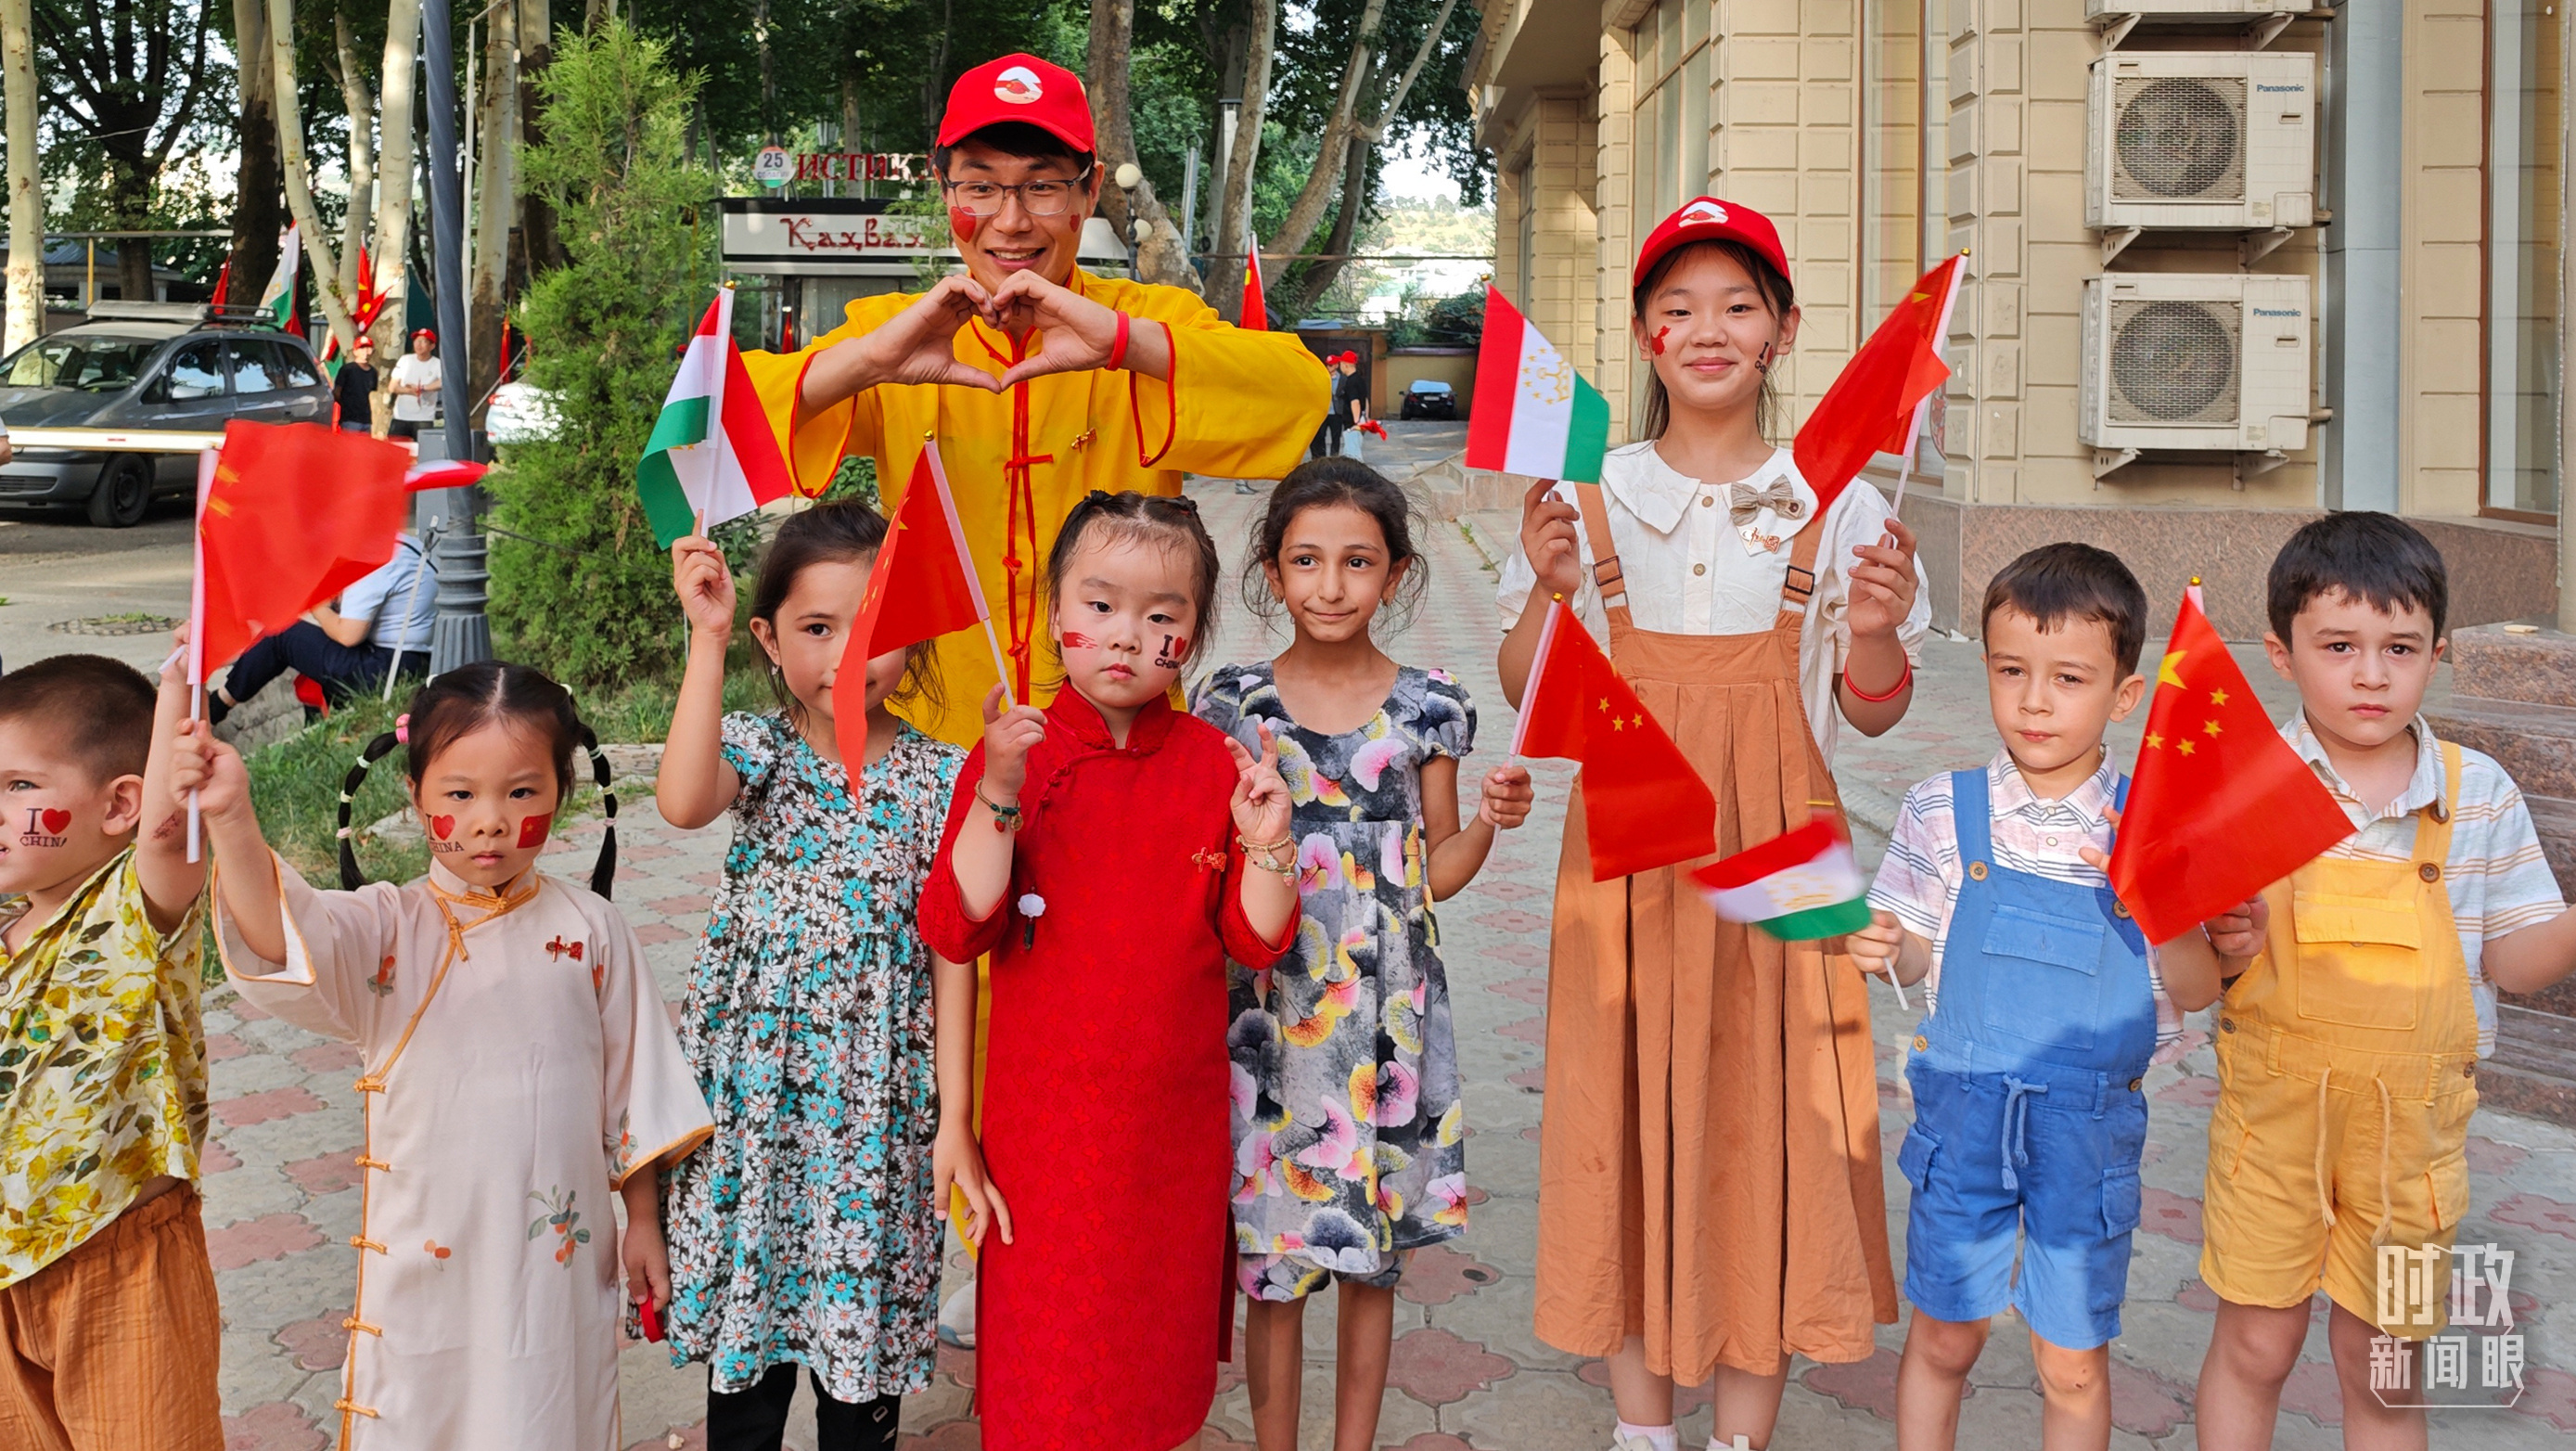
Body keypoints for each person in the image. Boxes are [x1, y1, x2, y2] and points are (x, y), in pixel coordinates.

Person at [1495, 197, 1929, 1451]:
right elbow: (1530, 692)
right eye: (1677, 307)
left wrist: (1881, 630)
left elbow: (1874, 709)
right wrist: (1544, 584)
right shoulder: (1592, 494)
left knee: (1776, 1123)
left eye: (1738, 305)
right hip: (1625, 852)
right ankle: (1641, 1430)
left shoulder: (1833, 499)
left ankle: (1741, 1429)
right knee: (1625, 1115)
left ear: (1782, 333)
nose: (1707, 329)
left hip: (1786, 855)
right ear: (1640, 334)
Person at [174, 661, 713, 1450]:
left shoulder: (594, 932)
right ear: (415, 797)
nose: (489, 821)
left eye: (522, 792)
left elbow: (636, 1094)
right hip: (424, 1253)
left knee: (546, 1409)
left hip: (551, 1267)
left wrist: (642, 1222)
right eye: (459, 795)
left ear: (561, 795)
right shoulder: (388, 926)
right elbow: (283, 937)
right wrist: (232, 820)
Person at [742, 53, 1329, 745]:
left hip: (1120, 736)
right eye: (980, 187)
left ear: (1090, 192)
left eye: (1043, 186)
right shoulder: (893, 334)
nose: (1011, 221)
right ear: (944, 191)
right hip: (937, 741)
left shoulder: (1146, 321)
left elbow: (1299, 392)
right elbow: (711, 427)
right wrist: (868, 361)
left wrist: (1119, 344)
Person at [919, 491, 1299, 1451]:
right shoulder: (1014, 755)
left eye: (1161, 616)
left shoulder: (1214, 762)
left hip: (1169, 1135)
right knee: (1043, 1373)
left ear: (1193, 634)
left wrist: (1267, 845)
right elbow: (961, 924)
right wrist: (998, 793)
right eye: (1099, 605)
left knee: (1148, 1375)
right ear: (1055, 614)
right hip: (1042, 1130)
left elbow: (1256, 943)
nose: (1125, 636)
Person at [2192, 513, 2576, 1449]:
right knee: (2254, 1342)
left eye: (2397, 647)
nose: (2370, 674)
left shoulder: (2474, 790)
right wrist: (2220, 938)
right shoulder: (2241, 782)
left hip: (2414, 1152)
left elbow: (2513, 963)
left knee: (2386, 1363)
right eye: (2337, 646)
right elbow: (2196, 978)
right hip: (2267, 1135)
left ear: (2435, 654)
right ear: (2280, 654)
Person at [1849, 545, 2237, 1451]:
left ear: (2124, 693)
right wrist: (1886, 949)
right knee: (1944, 1337)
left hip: (2085, 1139)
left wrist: (2159, 902)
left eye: (2067, 677)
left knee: (2069, 1362)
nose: (2032, 700)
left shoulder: (2154, 824)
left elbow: (2196, 986)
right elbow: (1911, 959)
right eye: (2009, 670)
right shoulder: (1939, 809)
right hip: (1961, 1123)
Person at [1192, 459, 1533, 1451]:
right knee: (1271, 1263)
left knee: (1368, 1260)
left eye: (1355, 561)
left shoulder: (1430, 705)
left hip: (1385, 1021)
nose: (1330, 584)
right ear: (1271, 568)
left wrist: (1491, 826)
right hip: (1267, 1014)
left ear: (1395, 573)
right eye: (1306, 559)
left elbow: (1438, 869)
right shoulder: (1234, 704)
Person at [652, 502, 961, 1451]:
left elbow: (953, 953)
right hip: (758, 1106)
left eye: (870, 628)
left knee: (856, 1363)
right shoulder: (759, 751)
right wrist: (704, 641)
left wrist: (955, 1114)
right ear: (768, 637)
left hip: (875, 1116)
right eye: (817, 628)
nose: (843, 655)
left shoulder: (940, 777)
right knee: (748, 1371)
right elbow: (677, 801)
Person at [0, 651, 222, 1450]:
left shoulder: (133, 908)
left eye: (19, 786)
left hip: (118, 1263)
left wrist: (176, 687)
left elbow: (173, 829)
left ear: (120, 802)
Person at [203, 530, 438, 724]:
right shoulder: (406, 544)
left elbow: (348, 635)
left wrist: (316, 605)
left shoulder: (370, 559)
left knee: (282, 633)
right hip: (415, 662)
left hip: (387, 670)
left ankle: (219, 704)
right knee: (310, 639)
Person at [388, 329, 441, 441]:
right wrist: (409, 391)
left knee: (423, 452)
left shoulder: (437, 364)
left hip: (424, 418)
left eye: (423, 341)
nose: (418, 344)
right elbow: (392, 386)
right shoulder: (405, 360)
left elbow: (442, 382)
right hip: (401, 416)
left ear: (432, 346)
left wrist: (423, 388)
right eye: (416, 341)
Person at [335, 336, 381, 433]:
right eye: (362, 348)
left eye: (368, 348)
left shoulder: (373, 372)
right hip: (350, 419)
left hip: (367, 420)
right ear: (355, 351)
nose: (365, 352)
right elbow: (337, 392)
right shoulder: (347, 370)